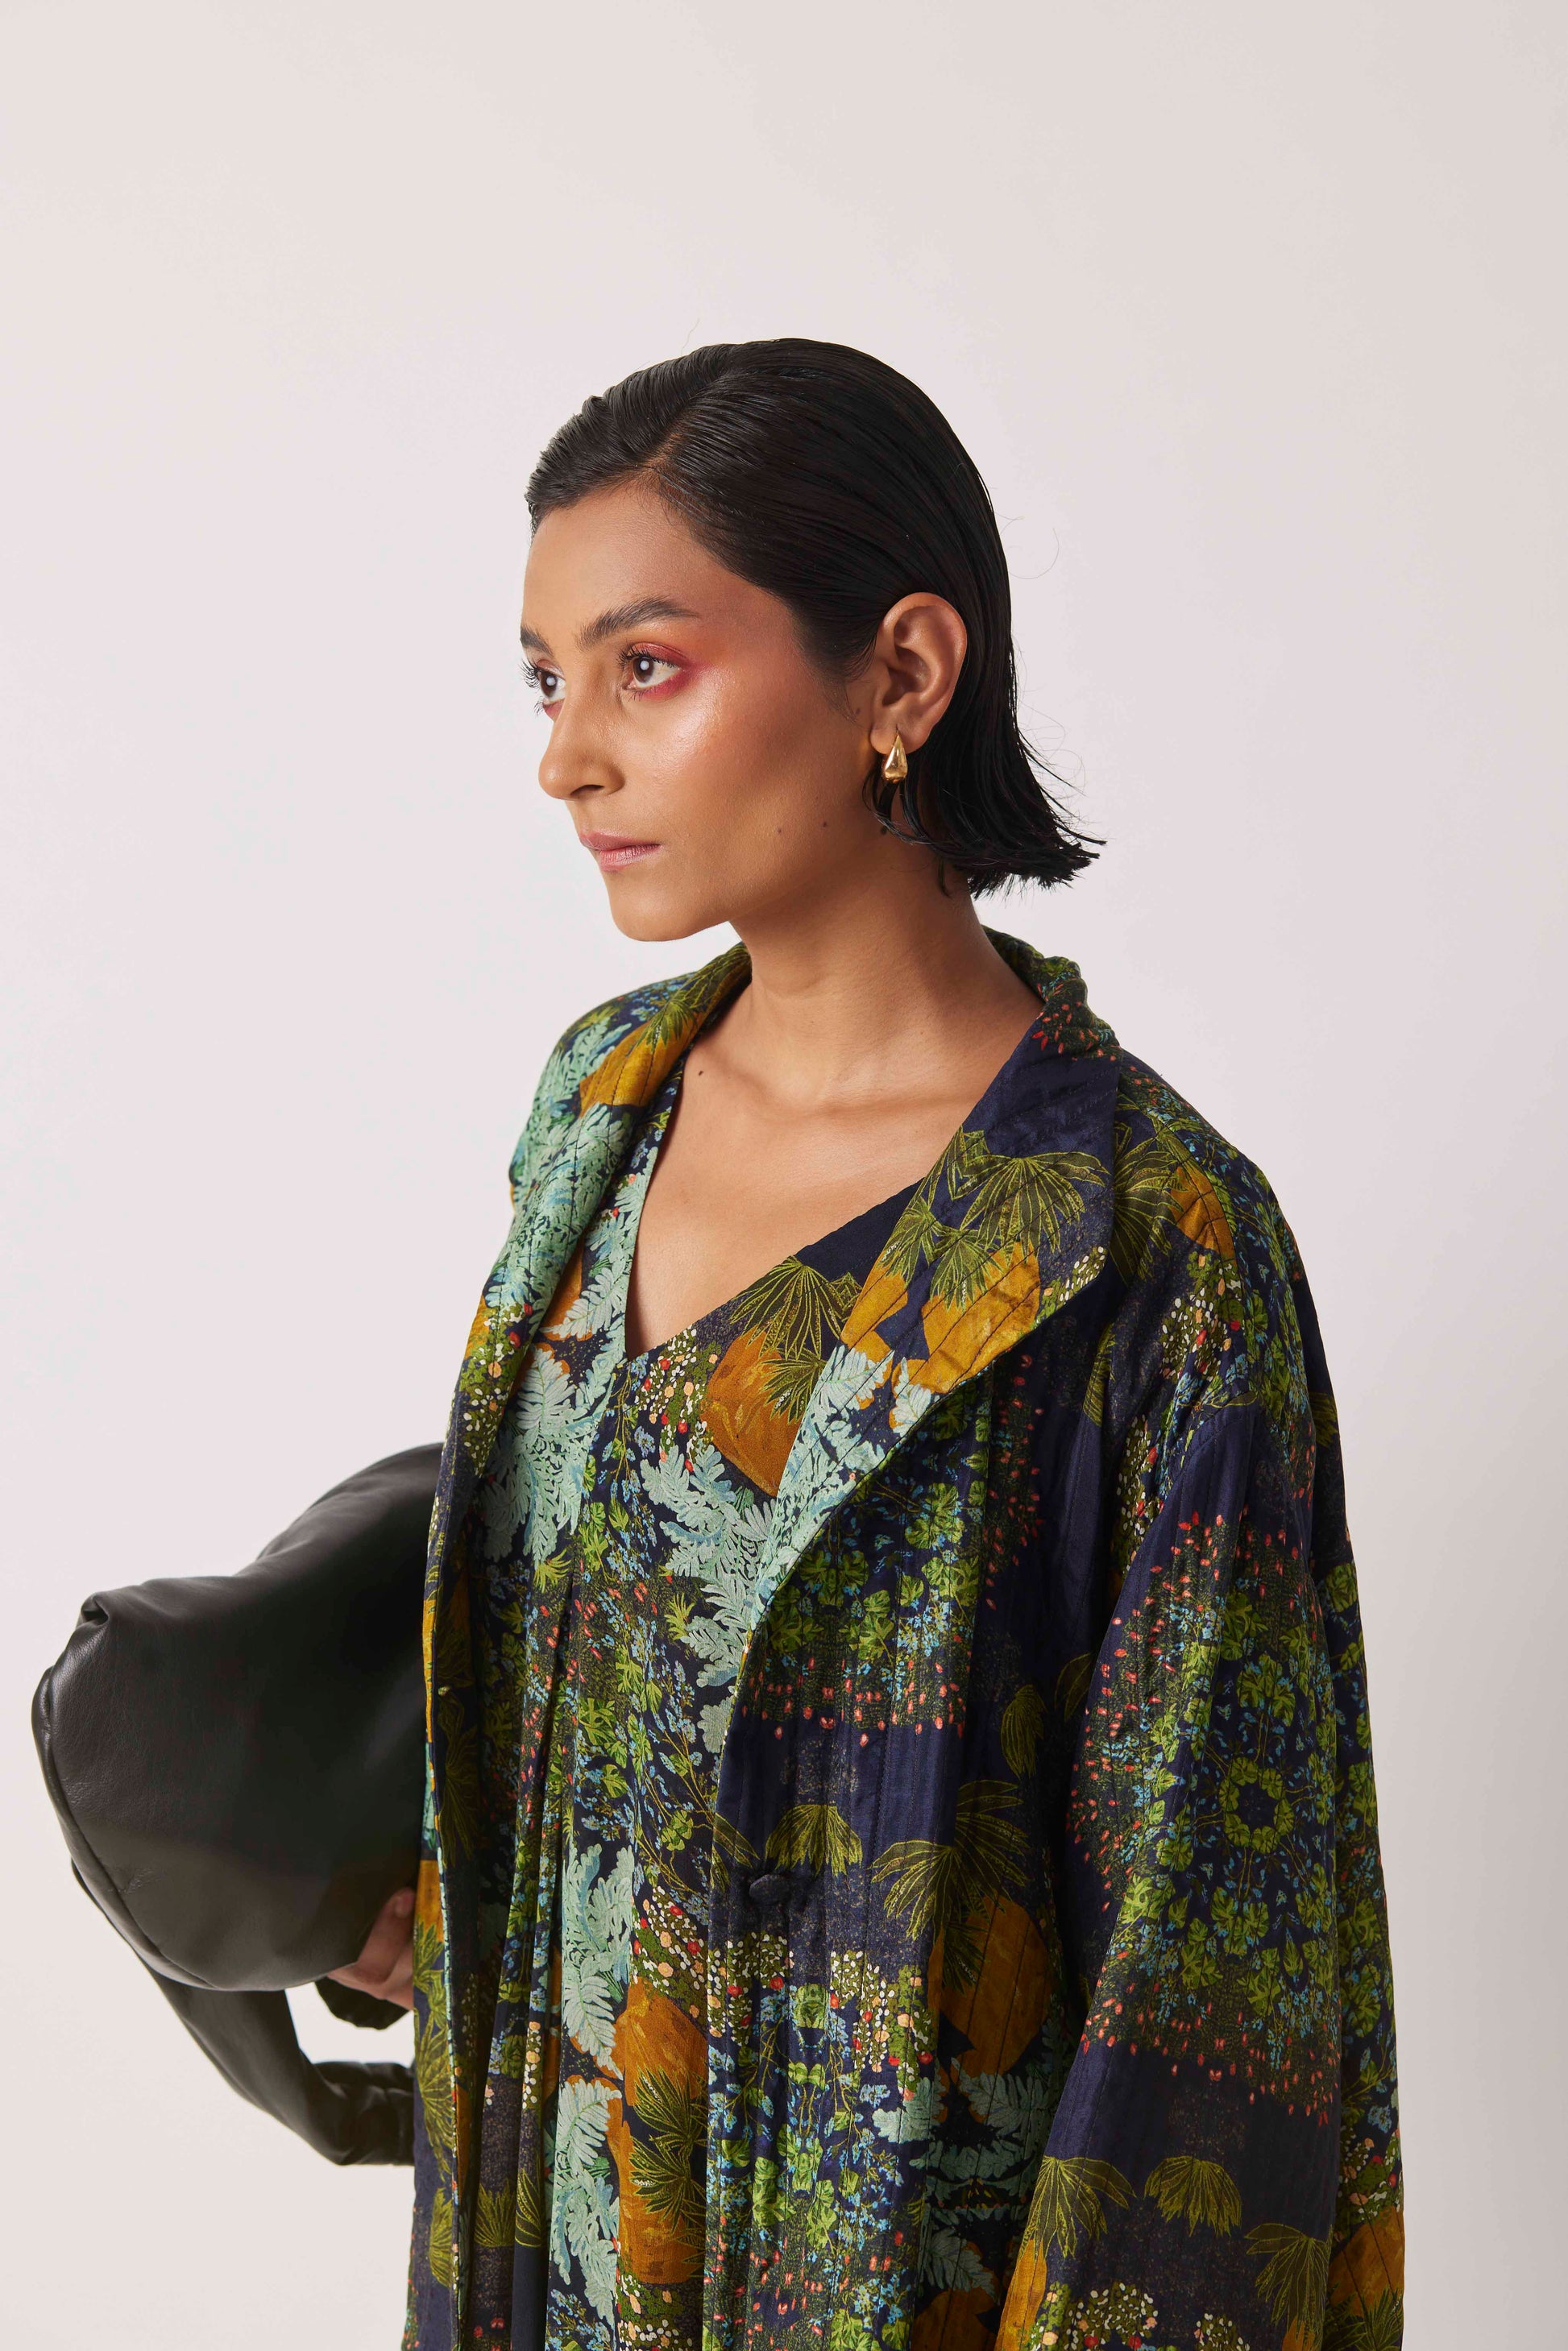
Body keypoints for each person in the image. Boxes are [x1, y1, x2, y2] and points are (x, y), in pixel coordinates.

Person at [333, 341, 1402, 2351]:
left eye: (647, 667)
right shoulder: (599, 1114)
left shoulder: (1139, 1242)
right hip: (537, 2270)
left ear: (902, 675)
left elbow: (1213, 1993)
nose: (568, 759)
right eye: (548, 681)